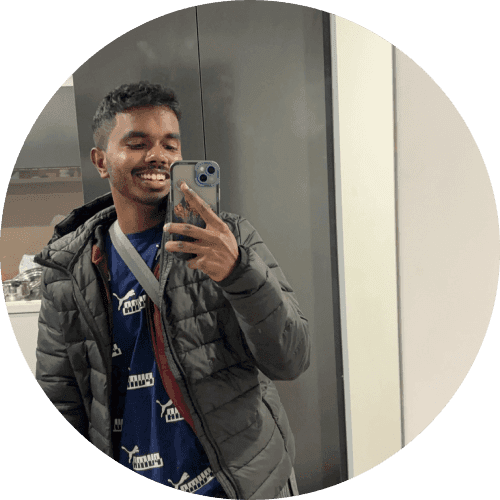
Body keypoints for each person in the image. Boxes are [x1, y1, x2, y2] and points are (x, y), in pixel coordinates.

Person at [35, 81, 310, 500]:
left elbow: (291, 356)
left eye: (170, 144)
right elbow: (60, 401)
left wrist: (238, 272)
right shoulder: (68, 270)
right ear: (101, 161)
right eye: (137, 143)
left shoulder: (231, 239)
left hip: (240, 484)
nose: (159, 156)